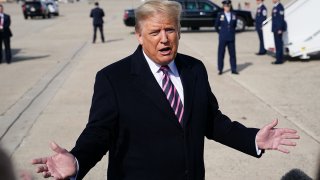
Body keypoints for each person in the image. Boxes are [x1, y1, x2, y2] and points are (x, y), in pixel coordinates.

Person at [32, 1, 299, 179]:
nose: (164, 38)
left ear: (179, 32)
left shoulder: (194, 70)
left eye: (170, 30)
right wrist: (77, 160)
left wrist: (252, 139)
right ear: (139, 35)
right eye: (155, 31)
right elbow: (99, 133)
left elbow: (211, 120)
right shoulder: (113, 78)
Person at [215, 0, 238, 75]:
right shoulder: (220, 15)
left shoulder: (234, 14)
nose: (227, 7)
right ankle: (220, 69)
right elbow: (216, 26)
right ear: (223, 7)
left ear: (230, 6)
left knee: (232, 54)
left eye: (228, 6)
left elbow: (234, 25)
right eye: (225, 6)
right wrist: (221, 33)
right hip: (223, 38)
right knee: (221, 54)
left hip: (231, 37)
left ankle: (233, 69)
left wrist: (231, 32)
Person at [271, 0, 286, 64]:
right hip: (275, 28)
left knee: (279, 44)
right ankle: (279, 58)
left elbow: (281, 19)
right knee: (277, 44)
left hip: (278, 29)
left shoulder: (280, 7)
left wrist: (280, 29)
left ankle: (279, 60)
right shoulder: (275, 7)